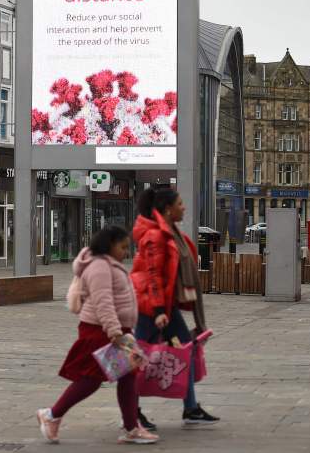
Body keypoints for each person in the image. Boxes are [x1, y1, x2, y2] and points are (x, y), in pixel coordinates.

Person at [36, 227, 158, 445]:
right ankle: (51, 415)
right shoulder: (99, 266)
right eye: (122, 246)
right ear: (109, 244)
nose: (126, 251)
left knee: (128, 376)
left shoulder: (109, 264)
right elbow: (103, 302)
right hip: (101, 330)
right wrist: (115, 332)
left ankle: (131, 427)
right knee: (90, 379)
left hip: (115, 329)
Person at [131, 187, 219, 429]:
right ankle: (131, 413)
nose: (184, 207)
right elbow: (152, 276)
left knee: (187, 349)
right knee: (136, 358)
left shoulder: (171, 233)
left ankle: (190, 408)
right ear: (168, 209)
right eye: (180, 203)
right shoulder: (155, 236)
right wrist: (159, 310)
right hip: (151, 308)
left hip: (165, 306)